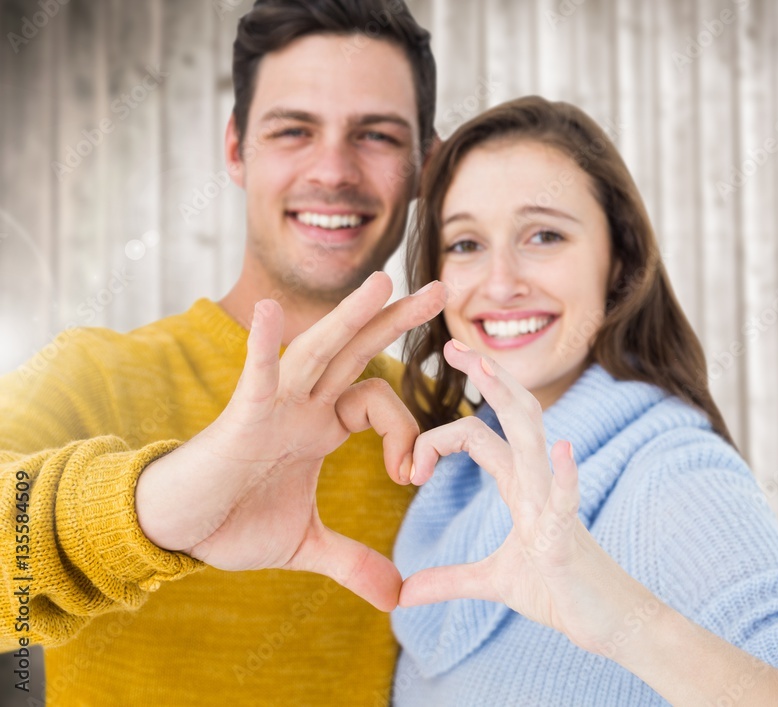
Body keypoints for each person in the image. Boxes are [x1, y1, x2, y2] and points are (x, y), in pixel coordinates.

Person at [0, 1, 447, 704]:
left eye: (378, 136)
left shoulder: (438, 425)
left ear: (426, 162)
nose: (333, 169)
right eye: (293, 129)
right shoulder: (91, 373)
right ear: (236, 148)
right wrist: (162, 507)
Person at [391, 96, 778, 706]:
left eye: (545, 234)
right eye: (466, 244)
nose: (500, 282)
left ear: (619, 263)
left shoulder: (670, 473)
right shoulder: (454, 480)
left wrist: (623, 620)